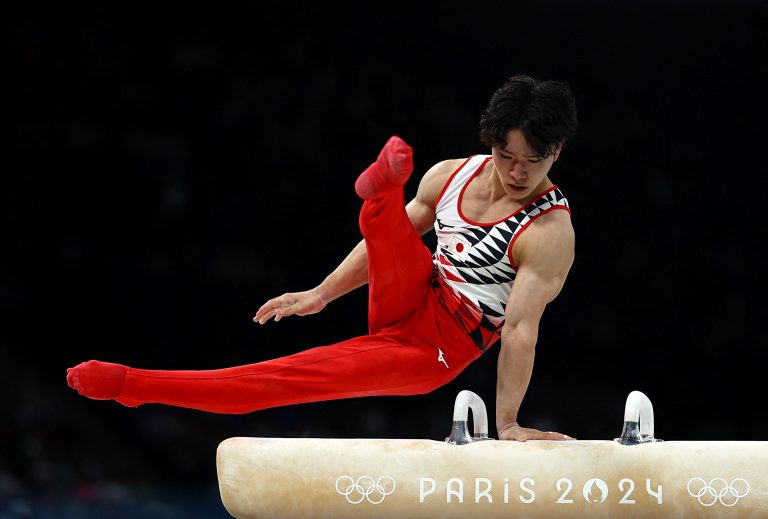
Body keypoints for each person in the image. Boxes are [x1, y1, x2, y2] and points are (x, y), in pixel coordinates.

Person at [67, 74, 578, 442]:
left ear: (555, 152)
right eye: (505, 156)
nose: (516, 172)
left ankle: (132, 384)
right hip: (416, 289)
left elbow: (519, 331)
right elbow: (389, 251)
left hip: (436, 348)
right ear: (489, 141)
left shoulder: (549, 231)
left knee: (281, 378)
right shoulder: (450, 174)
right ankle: (380, 196)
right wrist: (321, 294)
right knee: (393, 227)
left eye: (531, 162)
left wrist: (507, 422)